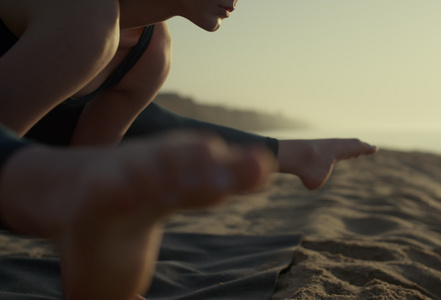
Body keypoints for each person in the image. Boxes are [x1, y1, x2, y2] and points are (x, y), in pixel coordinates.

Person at [0, 0, 378, 299]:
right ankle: (294, 154)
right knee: (141, 130)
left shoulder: (150, 52)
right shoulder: (86, 18)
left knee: (135, 132)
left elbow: (91, 175)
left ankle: (295, 154)